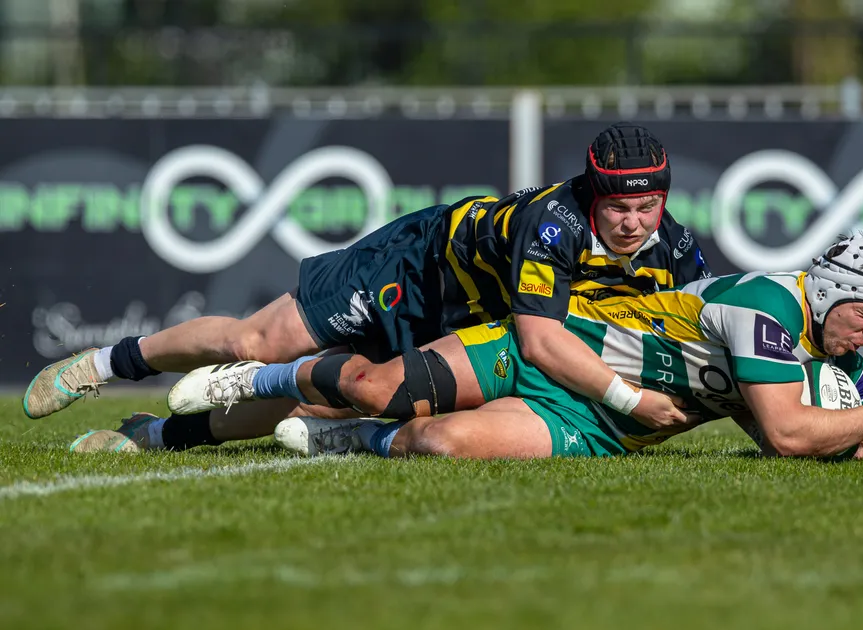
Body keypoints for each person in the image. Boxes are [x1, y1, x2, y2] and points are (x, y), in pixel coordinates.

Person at [28, 122, 711, 451]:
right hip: (415, 267)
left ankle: (152, 438)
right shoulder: (554, 223)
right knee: (258, 339)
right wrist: (631, 399)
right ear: (592, 195)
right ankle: (103, 364)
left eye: (645, 208)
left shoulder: (675, 249)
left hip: (475, 312)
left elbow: (712, 327)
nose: (630, 222)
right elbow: (538, 340)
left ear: (664, 200)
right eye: (616, 208)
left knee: (341, 398)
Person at [77, 231, 863, 462]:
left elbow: (819, 439)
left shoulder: (831, 356)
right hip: (549, 358)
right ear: (835, 296)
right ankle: (260, 376)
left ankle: (211, 438)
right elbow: (795, 434)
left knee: (433, 443)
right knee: (368, 387)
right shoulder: (766, 309)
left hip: (600, 428)